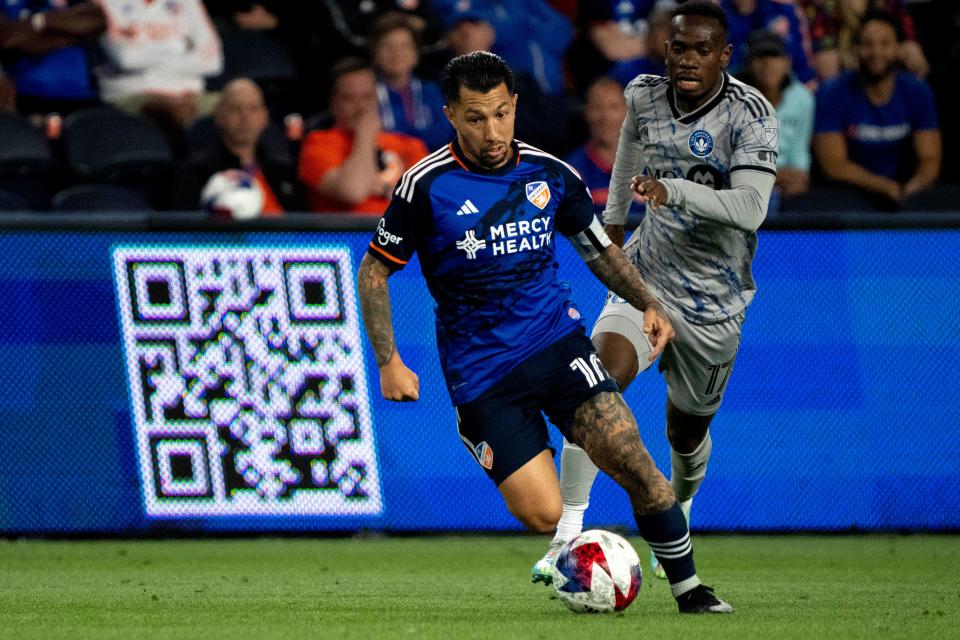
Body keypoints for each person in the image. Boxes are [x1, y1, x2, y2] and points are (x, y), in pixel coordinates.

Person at [356, 50, 733, 614]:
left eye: (502, 114)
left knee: (638, 466)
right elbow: (374, 271)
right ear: (451, 116)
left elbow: (600, 253)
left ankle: (691, 591)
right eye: (476, 118)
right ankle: (578, 553)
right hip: (482, 371)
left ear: (515, 108)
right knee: (543, 514)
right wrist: (388, 360)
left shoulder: (550, 174)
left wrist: (647, 302)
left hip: (556, 345)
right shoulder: (425, 184)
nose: (492, 131)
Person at [532, 0, 778, 582]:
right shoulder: (643, 93)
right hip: (649, 280)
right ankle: (566, 535)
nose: (686, 60)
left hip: (716, 300)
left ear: (724, 55)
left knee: (686, 432)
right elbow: (627, 155)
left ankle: (681, 510)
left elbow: (752, 207)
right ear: (664, 49)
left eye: (701, 50)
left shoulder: (750, 114)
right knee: (594, 385)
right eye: (677, 47)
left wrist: (673, 190)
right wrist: (614, 222)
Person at [812, 11, 940, 208]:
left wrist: (913, 188)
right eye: (867, 44)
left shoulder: (917, 91)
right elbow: (834, 165)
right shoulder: (832, 93)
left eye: (885, 44)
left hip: (905, 191)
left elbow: (930, 158)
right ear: (856, 49)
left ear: (898, 48)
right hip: (847, 194)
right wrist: (887, 188)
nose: (875, 52)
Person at [298, 58, 428, 215]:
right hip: (352, 235)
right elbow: (353, 191)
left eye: (367, 96)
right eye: (349, 98)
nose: (361, 107)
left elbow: (432, 197)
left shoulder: (407, 144)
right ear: (333, 103)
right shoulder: (317, 144)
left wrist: (386, 189)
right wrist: (365, 133)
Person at [172, 78, 302, 214]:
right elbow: (183, 226)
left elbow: (304, 223)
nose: (245, 117)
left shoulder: (283, 171)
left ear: (265, 117)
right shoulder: (197, 171)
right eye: (236, 109)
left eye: (253, 109)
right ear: (219, 116)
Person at [94, 0, 223, 131]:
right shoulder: (105, 3)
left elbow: (212, 63)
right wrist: (179, 46)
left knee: (238, 105)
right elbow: (126, 60)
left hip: (192, 95)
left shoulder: (188, 2)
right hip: (132, 95)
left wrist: (146, 55)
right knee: (174, 112)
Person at [739, 32, 813, 208]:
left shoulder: (802, 98)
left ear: (787, 63)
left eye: (774, 56)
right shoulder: (732, 98)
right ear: (748, 64)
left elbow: (799, 152)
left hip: (788, 184)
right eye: (760, 57)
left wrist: (799, 175)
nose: (768, 64)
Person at [0, 1, 105, 116]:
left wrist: (40, 20)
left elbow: (96, 20)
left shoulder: (73, 2)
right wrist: (71, 31)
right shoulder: (9, 4)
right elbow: (6, 38)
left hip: (84, 95)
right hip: (33, 96)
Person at [564, 76, 644, 221]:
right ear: (586, 113)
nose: (606, 117)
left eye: (614, 107)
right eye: (597, 107)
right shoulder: (571, 171)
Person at [370, 12, 450, 151]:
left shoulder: (431, 91)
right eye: (387, 46)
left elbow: (444, 135)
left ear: (416, 54)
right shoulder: (366, 94)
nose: (396, 53)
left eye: (404, 46)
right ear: (375, 53)